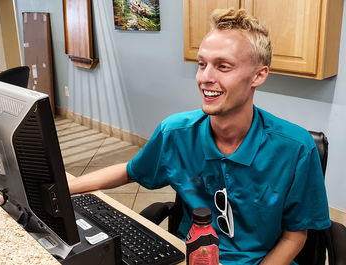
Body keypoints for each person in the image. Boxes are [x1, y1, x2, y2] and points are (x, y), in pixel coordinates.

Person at [68, 8, 331, 265]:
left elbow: (295, 236)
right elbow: (129, 171)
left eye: (223, 67)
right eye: (202, 64)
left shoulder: (296, 148)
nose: (205, 77)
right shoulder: (176, 133)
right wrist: (64, 186)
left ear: (258, 75)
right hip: (190, 255)